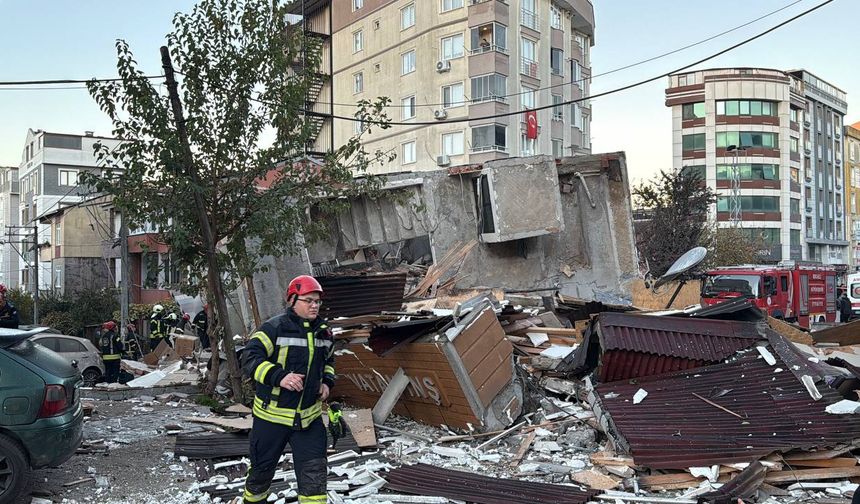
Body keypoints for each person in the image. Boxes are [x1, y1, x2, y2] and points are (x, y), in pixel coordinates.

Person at [241, 275, 335, 504]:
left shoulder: (324, 332)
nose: (314, 305)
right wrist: (279, 376)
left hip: (309, 421)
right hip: (271, 420)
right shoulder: (274, 328)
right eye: (308, 300)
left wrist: (326, 383)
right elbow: (249, 358)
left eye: (317, 301)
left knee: (315, 482)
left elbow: (330, 363)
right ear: (292, 300)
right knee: (260, 476)